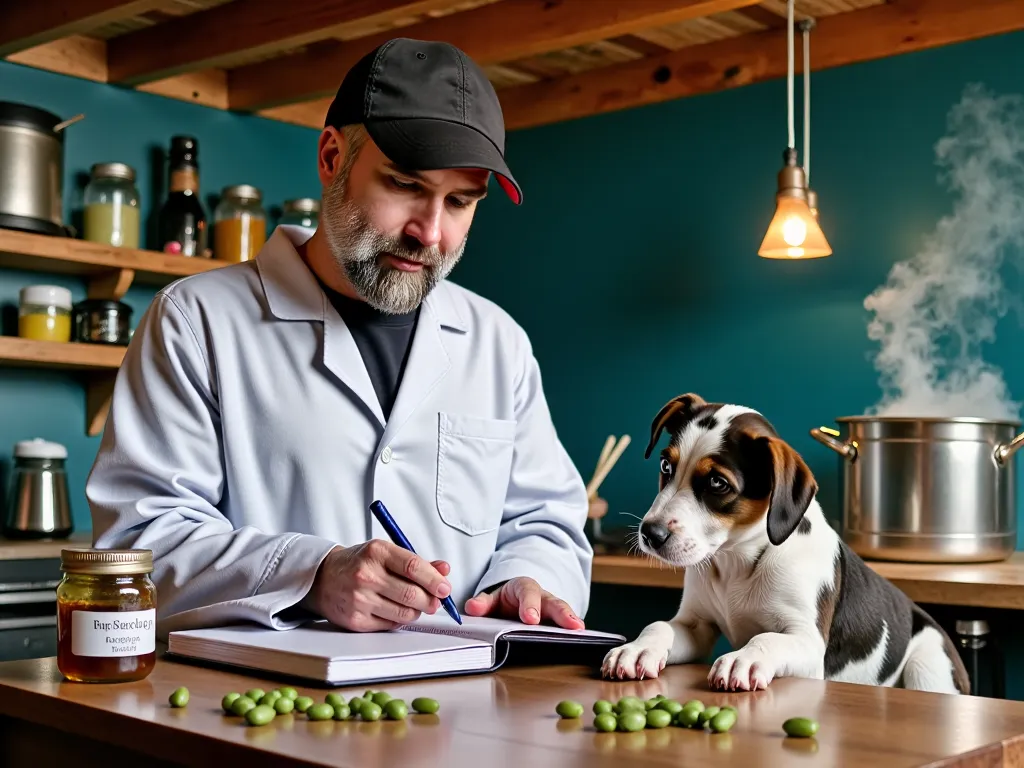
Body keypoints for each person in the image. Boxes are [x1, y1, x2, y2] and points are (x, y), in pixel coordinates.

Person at [86, 38, 593, 640]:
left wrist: (525, 578)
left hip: (460, 707)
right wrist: (312, 574)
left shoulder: (497, 342)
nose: (429, 232)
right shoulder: (194, 321)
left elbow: (547, 522)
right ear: (332, 157)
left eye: (459, 201)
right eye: (404, 185)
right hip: (258, 712)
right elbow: (142, 543)